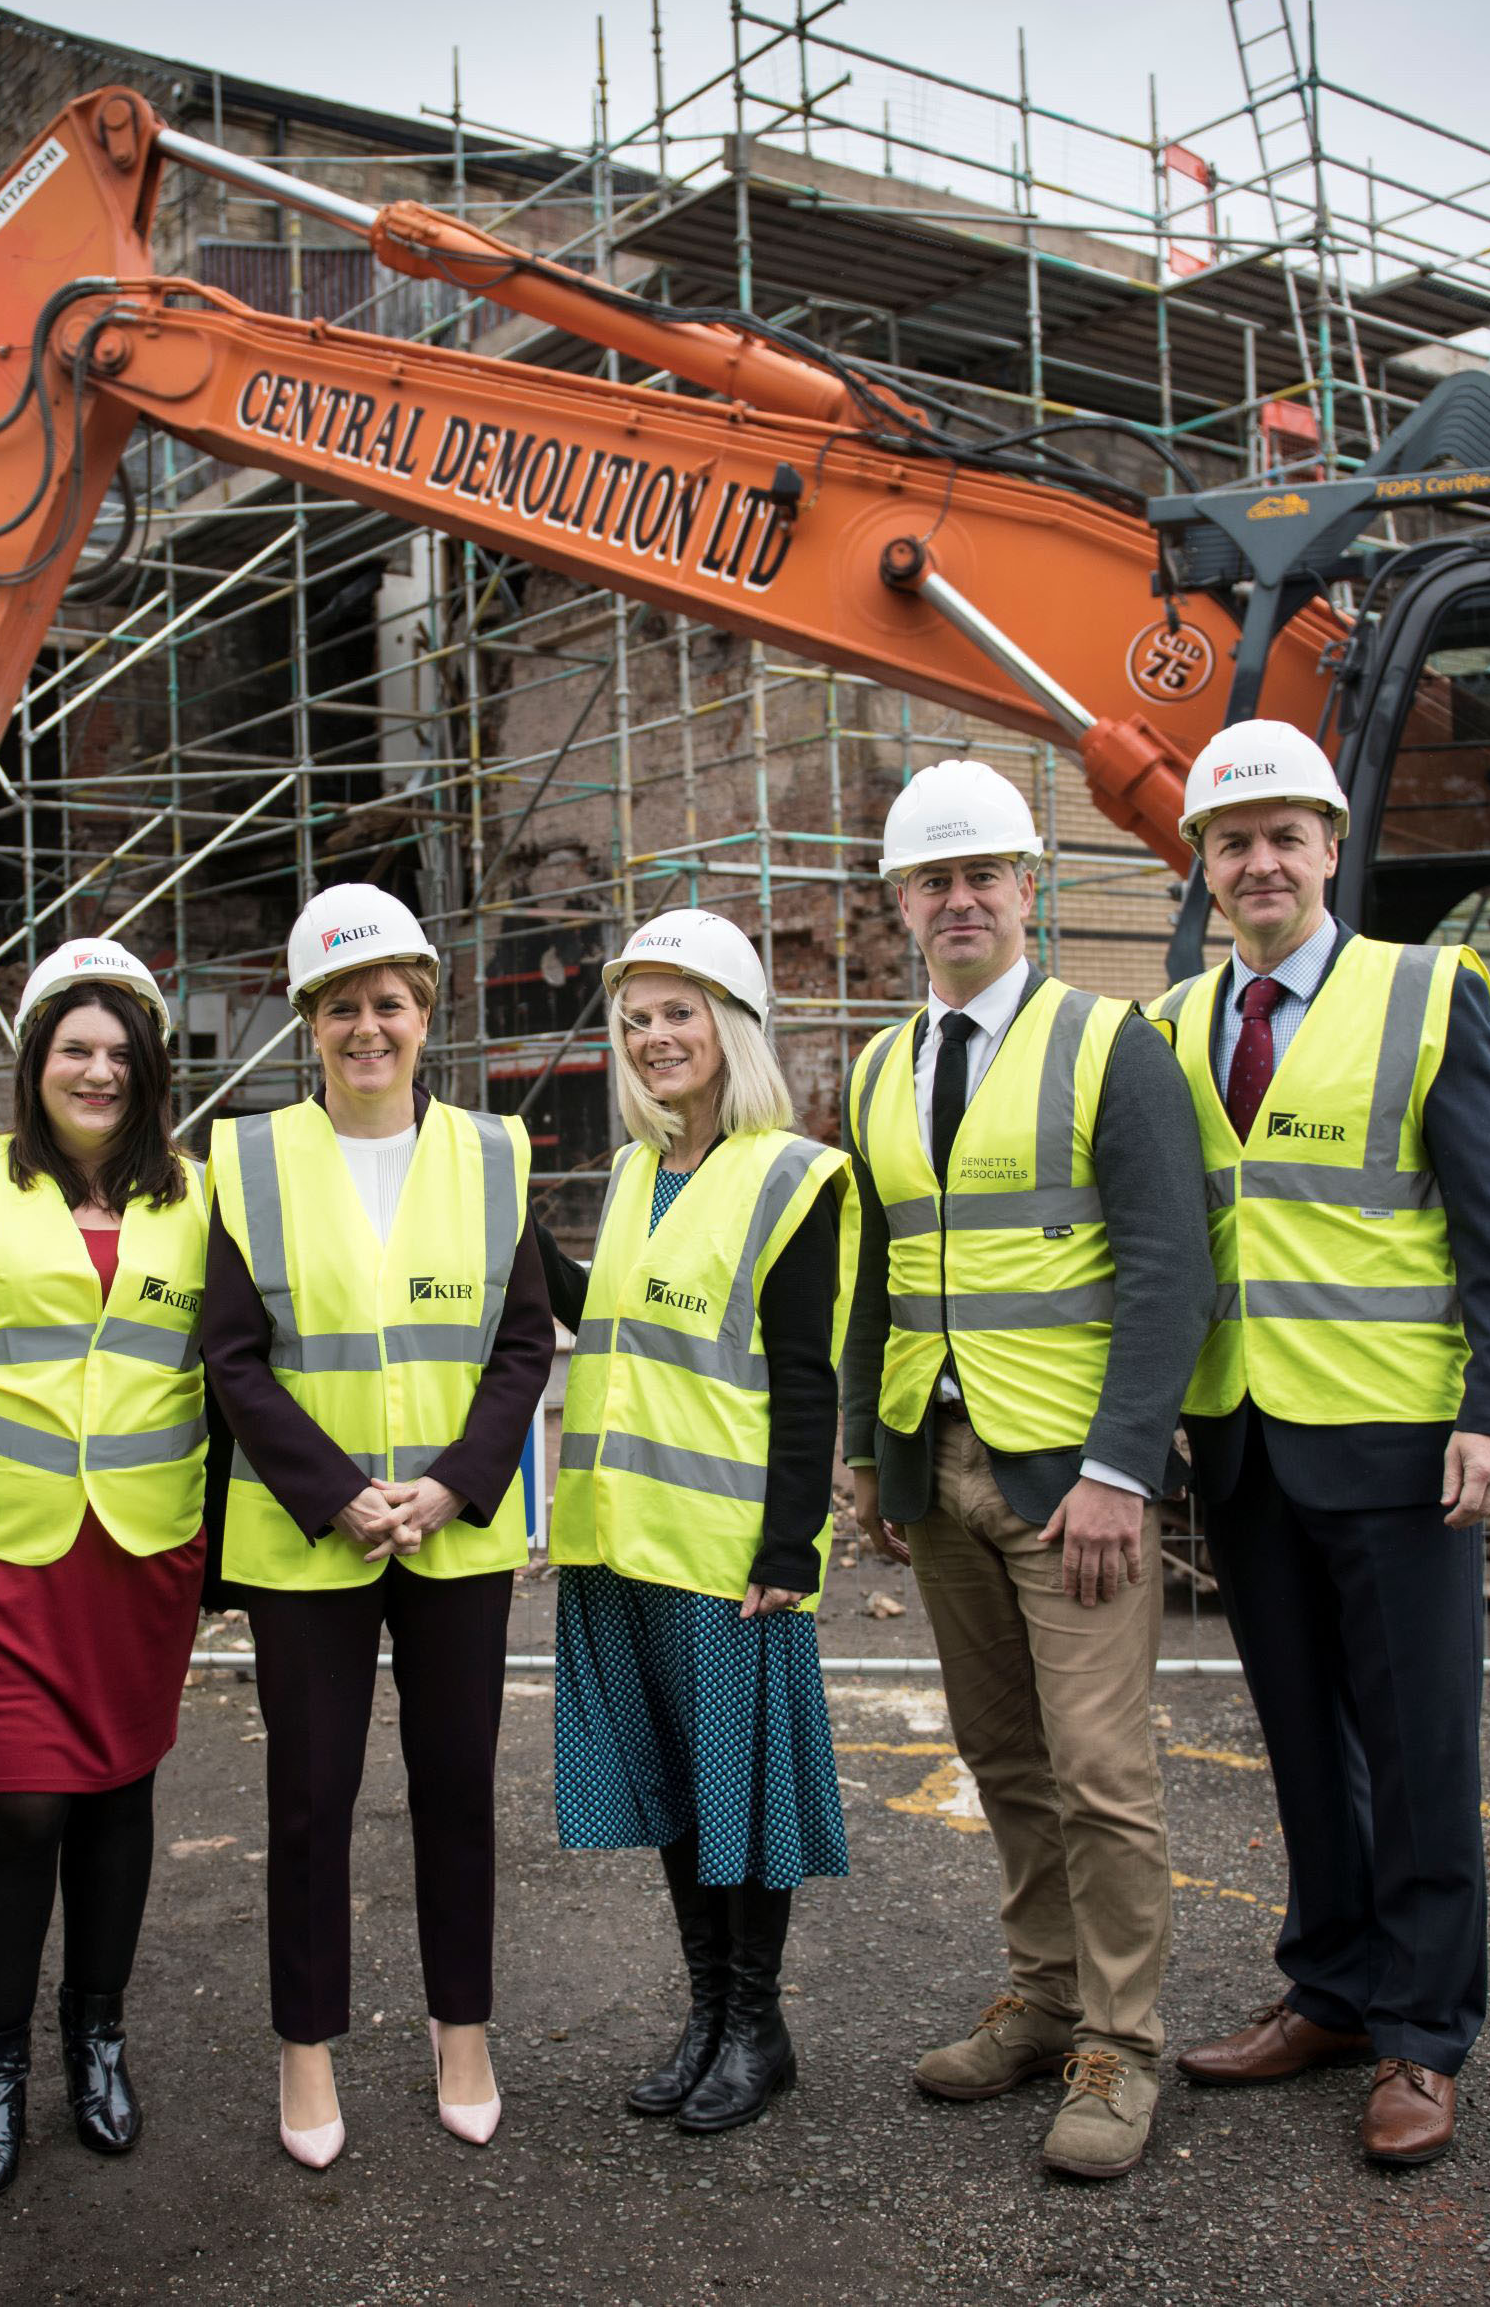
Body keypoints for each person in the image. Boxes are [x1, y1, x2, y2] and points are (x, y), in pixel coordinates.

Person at [1149, 719, 1490, 2169]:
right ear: (1201, 867)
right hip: (1242, 1436)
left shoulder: (1431, 994)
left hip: (1394, 1434)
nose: (1259, 863)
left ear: (1329, 851)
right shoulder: (1177, 1024)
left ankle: (1424, 2035)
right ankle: (1329, 1985)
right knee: (1305, 1746)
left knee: (1423, 1747)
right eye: (1231, 843)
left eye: (1283, 839)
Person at [840, 758, 1213, 2183]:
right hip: (938, 1470)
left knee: (1103, 1768)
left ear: (1027, 888)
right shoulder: (881, 1066)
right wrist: (877, 1467)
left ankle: (1122, 2042)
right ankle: (1045, 1992)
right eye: (931, 880)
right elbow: (879, 1278)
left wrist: (1123, 1468)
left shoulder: (1109, 1046)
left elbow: (1171, 1268)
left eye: (982, 873)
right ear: (900, 905)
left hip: (1073, 1482)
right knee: (1002, 1755)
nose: (957, 900)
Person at [198, 883, 555, 2168]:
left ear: (425, 1011)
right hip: (310, 1532)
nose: (367, 1026)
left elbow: (522, 1346)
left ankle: (462, 2030)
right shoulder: (243, 1160)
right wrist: (335, 1488)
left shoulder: (494, 1151)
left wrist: (455, 1481)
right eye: (342, 1005)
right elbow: (231, 1358)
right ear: (309, 1021)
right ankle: (307, 2049)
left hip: (450, 1529)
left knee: (457, 1786)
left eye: (388, 1003)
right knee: (310, 1796)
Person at [0, 940, 213, 2206]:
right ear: (35, 1058)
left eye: (122, 1051)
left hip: (140, 1550)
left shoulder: (199, 1195)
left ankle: (98, 2039)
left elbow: (226, 1376)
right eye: (75, 1045)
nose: (98, 1069)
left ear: (153, 1069)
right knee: (15, 1807)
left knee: (118, 1796)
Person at [542, 910, 855, 2134]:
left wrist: (790, 1546)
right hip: (622, 1536)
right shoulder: (634, 1170)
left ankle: (757, 2024)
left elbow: (806, 1375)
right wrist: (506, 1235)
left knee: (740, 1797)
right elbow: (609, 1320)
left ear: (730, 1025)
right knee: (677, 1789)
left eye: (678, 1012)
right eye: (637, 1018)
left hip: (729, 1550)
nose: (654, 1036)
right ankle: (706, 2011)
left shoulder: (793, 1173)